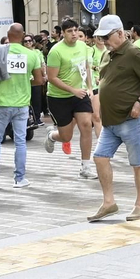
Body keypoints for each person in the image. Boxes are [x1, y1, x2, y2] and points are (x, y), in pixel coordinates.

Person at [87, 15, 140, 222]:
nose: (104, 41)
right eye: (101, 37)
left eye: (107, 37)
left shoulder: (134, 52)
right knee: (100, 157)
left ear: (120, 33)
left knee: (137, 163)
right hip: (110, 120)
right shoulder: (107, 54)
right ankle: (109, 203)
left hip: (132, 119)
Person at [0, 23, 43, 189]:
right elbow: (39, 80)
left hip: (2, 102)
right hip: (22, 103)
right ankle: (19, 178)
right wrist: (25, 81)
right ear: (23, 36)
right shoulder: (32, 55)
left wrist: (2, 80)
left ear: (7, 35)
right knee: (20, 141)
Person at [44, 18, 97, 176]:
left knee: (86, 125)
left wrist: (89, 87)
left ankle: (86, 167)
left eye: (75, 30)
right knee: (66, 136)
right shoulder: (56, 51)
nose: (74, 34)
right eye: (69, 31)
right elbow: (52, 78)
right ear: (62, 33)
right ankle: (52, 136)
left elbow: (86, 67)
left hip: (80, 94)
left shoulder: (82, 46)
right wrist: (72, 90)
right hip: (59, 97)